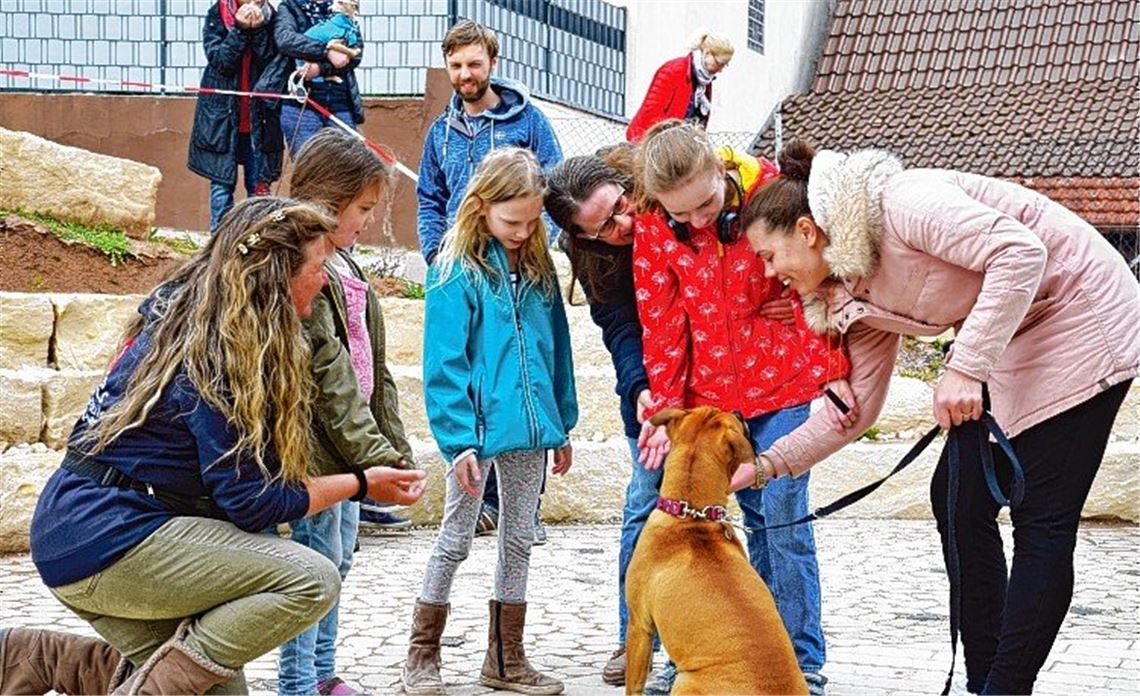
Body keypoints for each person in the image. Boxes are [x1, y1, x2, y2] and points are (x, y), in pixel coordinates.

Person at [735, 140, 1140, 695]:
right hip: (1010, 339)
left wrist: (965, 367)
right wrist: (764, 466)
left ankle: (1005, 688)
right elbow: (851, 411)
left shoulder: (902, 203)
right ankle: (983, 680)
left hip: (1085, 320)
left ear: (807, 231)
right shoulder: (850, 284)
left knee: (1041, 518)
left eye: (768, 255)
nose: (769, 272)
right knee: (957, 497)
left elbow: (1019, 253)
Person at [25, 197, 428, 695]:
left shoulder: (193, 323)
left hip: (79, 535)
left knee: (215, 689)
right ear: (276, 275)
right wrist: (362, 483)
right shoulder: (216, 358)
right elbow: (253, 503)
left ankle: (39, 660)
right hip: (110, 538)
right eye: (318, 267)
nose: (325, 281)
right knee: (311, 578)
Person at [631, 120, 849, 696]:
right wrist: (670, 409)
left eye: (708, 204)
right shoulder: (655, 229)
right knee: (695, 528)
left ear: (721, 169)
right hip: (710, 401)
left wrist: (800, 310)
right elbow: (662, 322)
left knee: (780, 518)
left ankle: (801, 667)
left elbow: (822, 272)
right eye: (685, 216)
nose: (701, 222)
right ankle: (693, 658)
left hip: (785, 385)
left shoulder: (770, 191)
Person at [401, 148, 577, 695]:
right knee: (456, 536)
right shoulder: (455, 272)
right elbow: (444, 362)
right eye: (512, 221)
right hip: (474, 436)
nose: (524, 231)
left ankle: (505, 659)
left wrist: (561, 424)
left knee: (519, 536)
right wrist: (458, 441)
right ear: (480, 207)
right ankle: (421, 655)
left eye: (532, 221)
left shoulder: (539, 269)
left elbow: (557, 351)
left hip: (529, 431)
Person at [271, 130, 419, 695]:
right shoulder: (306, 268)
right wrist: (375, 458)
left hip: (357, 445)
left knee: (341, 561)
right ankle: (297, 681)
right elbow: (329, 381)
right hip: (319, 452)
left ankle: (324, 672)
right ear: (329, 202)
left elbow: (373, 372)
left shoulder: (348, 267)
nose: (366, 221)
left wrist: (393, 450)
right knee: (314, 564)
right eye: (362, 209)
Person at [416, 19, 565, 541]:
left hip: (519, 271)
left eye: (473, 64)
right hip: (468, 272)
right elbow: (430, 197)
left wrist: (533, 244)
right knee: (481, 379)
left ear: (492, 63)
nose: (464, 74)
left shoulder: (529, 122)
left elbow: (553, 180)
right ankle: (483, 503)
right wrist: (437, 253)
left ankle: (526, 507)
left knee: (521, 372)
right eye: (455, 65)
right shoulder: (441, 132)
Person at [188, 0, 282, 232]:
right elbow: (220, 61)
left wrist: (258, 29)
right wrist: (240, 30)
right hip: (222, 118)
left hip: (259, 119)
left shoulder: (273, 17)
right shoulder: (218, 13)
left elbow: (271, 61)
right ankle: (218, 244)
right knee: (221, 186)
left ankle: (258, 243)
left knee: (258, 187)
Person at [267, 0, 363, 156]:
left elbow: (355, 55)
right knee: (309, 171)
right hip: (301, 104)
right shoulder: (290, 7)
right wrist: (326, 52)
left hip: (340, 103)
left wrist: (320, 69)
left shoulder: (344, 7)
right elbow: (285, 40)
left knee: (344, 171)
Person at [625, 30, 733, 143]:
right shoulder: (673, 71)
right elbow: (650, 113)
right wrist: (646, 148)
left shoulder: (705, 82)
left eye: (725, 65)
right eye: (719, 63)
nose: (720, 70)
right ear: (707, 53)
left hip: (678, 148)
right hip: (654, 146)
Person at [298, 0, 362, 83]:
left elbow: (358, 53)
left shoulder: (346, 24)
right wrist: (351, 52)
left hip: (340, 85)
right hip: (306, 62)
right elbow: (332, 45)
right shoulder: (340, 25)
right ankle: (324, 77)